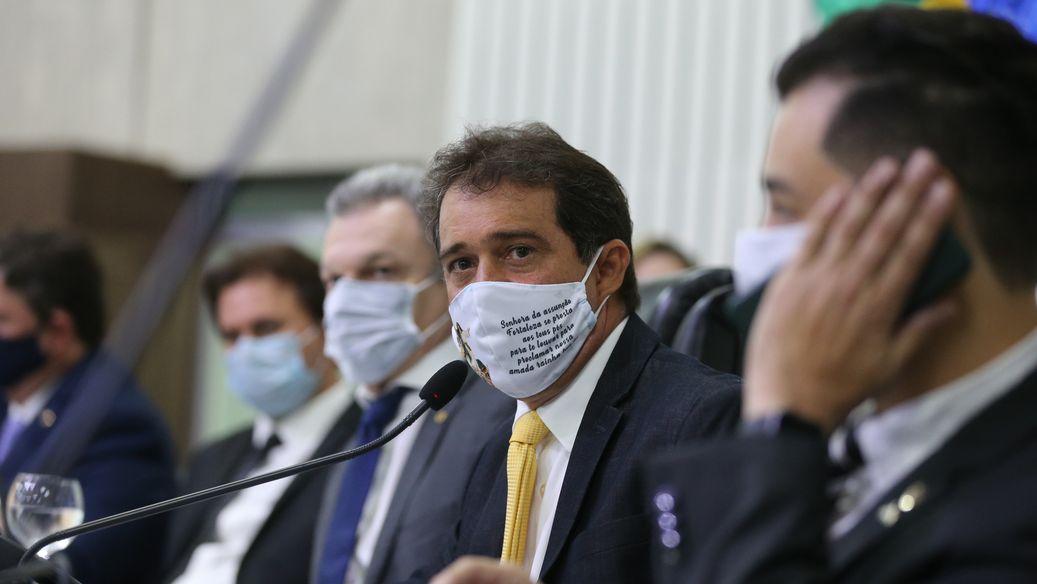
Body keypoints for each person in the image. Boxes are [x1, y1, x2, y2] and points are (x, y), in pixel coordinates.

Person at [642, 7, 1037, 583]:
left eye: (784, 207)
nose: (758, 238)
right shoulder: (857, 438)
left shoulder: (1012, 519)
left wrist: (780, 427)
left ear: (922, 224)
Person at [418, 123, 742, 583]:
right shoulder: (494, 455)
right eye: (462, 264)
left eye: (519, 251)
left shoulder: (707, 420)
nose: (483, 289)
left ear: (606, 269)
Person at [311, 164, 512, 584]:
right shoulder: (359, 422)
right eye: (334, 279)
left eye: (380, 271)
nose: (346, 298)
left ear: (449, 274)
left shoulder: (501, 404)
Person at [163, 245, 356, 584]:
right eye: (231, 336)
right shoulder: (212, 458)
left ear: (325, 328)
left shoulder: (369, 441)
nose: (247, 349)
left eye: (265, 328)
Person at [0, 230, 175, 583]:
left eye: (2, 319)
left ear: (58, 332)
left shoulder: (119, 424)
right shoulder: (9, 399)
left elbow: (85, 565)